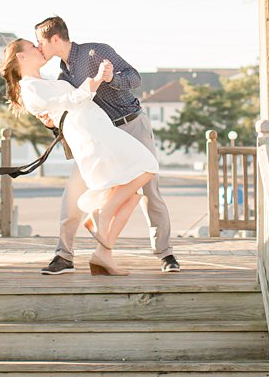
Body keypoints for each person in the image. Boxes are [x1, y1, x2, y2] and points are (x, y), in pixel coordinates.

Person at [33, 16, 180, 276]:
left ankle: (166, 253)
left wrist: (111, 78)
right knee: (74, 192)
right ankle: (63, 255)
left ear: (55, 39)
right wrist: (49, 122)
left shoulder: (95, 51)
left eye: (40, 42)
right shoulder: (62, 75)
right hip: (99, 138)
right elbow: (69, 110)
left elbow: (134, 78)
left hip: (131, 126)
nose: (38, 48)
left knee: (149, 191)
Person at [0, 39, 156, 275]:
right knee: (147, 165)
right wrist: (96, 79)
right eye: (33, 46)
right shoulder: (29, 88)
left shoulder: (45, 82)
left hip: (97, 129)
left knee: (132, 195)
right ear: (21, 57)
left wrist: (94, 83)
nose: (38, 49)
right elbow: (70, 101)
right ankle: (101, 213)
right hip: (90, 134)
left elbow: (66, 104)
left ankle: (103, 254)